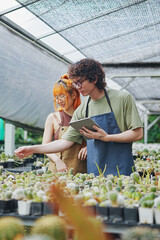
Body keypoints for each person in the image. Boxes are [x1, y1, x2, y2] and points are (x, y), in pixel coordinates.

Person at [15, 59, 143, 176]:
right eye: (75, 84)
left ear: (94, 78)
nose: (78, 87)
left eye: (80, 82)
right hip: (95, 173)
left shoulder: (122, 98)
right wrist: (33, 148)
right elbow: (64, 142)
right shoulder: (82, 110)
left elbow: (137, 133)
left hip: (122, 171)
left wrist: (107, 137)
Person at [43, 74, 87, 174]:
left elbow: (95, 139)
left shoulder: (84, 116)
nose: (59, 100)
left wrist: (88, 147)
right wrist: (57, 161)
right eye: (56, 97)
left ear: (74, 95)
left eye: (62, 96)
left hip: (80, 169)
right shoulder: (53, 118)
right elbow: (45, 146)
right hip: (58, 169)